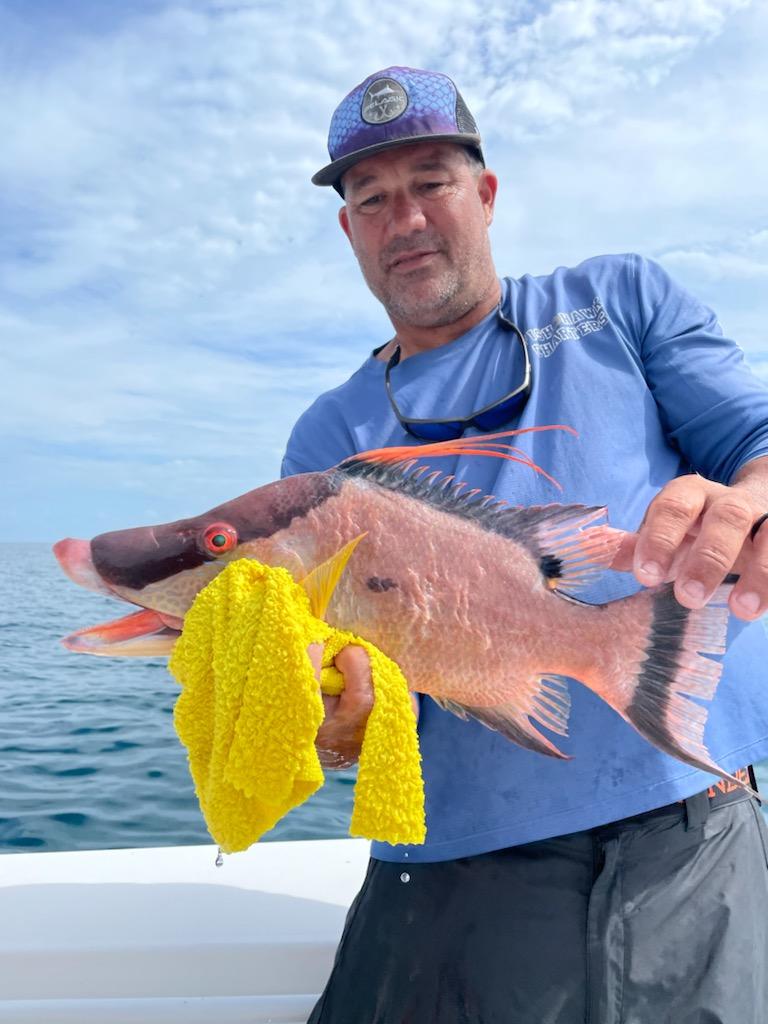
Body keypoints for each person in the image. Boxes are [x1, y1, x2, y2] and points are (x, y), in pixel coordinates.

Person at [281, 66, 768, 1023]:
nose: (404, 218)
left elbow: (755, 440)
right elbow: (327, 690)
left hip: (688, 837)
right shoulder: (326, 436)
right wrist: (325, 725)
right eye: (371, 199)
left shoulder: (620, 301)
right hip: (445, 867)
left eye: (431, 182)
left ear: (487, 194)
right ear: (349, 232)